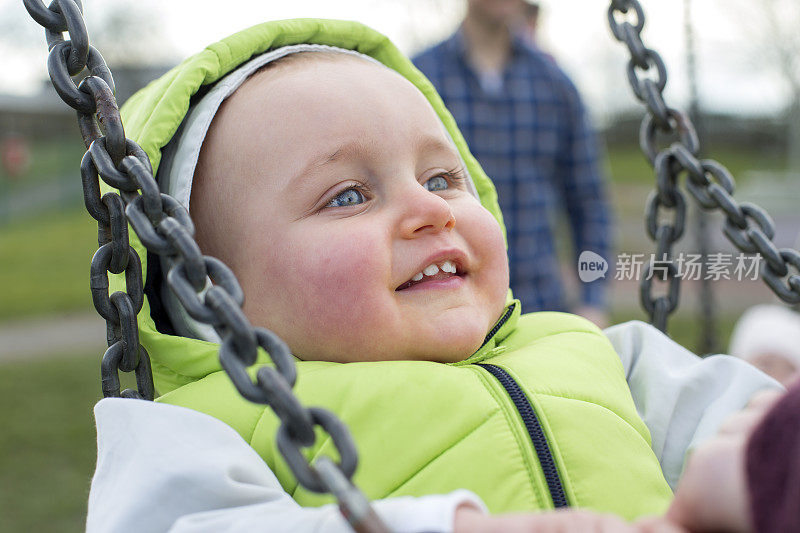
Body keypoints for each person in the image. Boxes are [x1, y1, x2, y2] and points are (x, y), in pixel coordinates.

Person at [86, 19, 780, 532]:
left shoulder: (597, 352)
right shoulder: (207, 430)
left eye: (443, 177)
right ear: (210, 291)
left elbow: (736, 414)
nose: (428, 209)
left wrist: (761, 466)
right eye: (349, 195)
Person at [412, 0, 612, 327]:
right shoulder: (419, 80)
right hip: (445, 304)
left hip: (541, 305)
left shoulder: (555, 84)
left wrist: (593, 299)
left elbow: (589, 203)